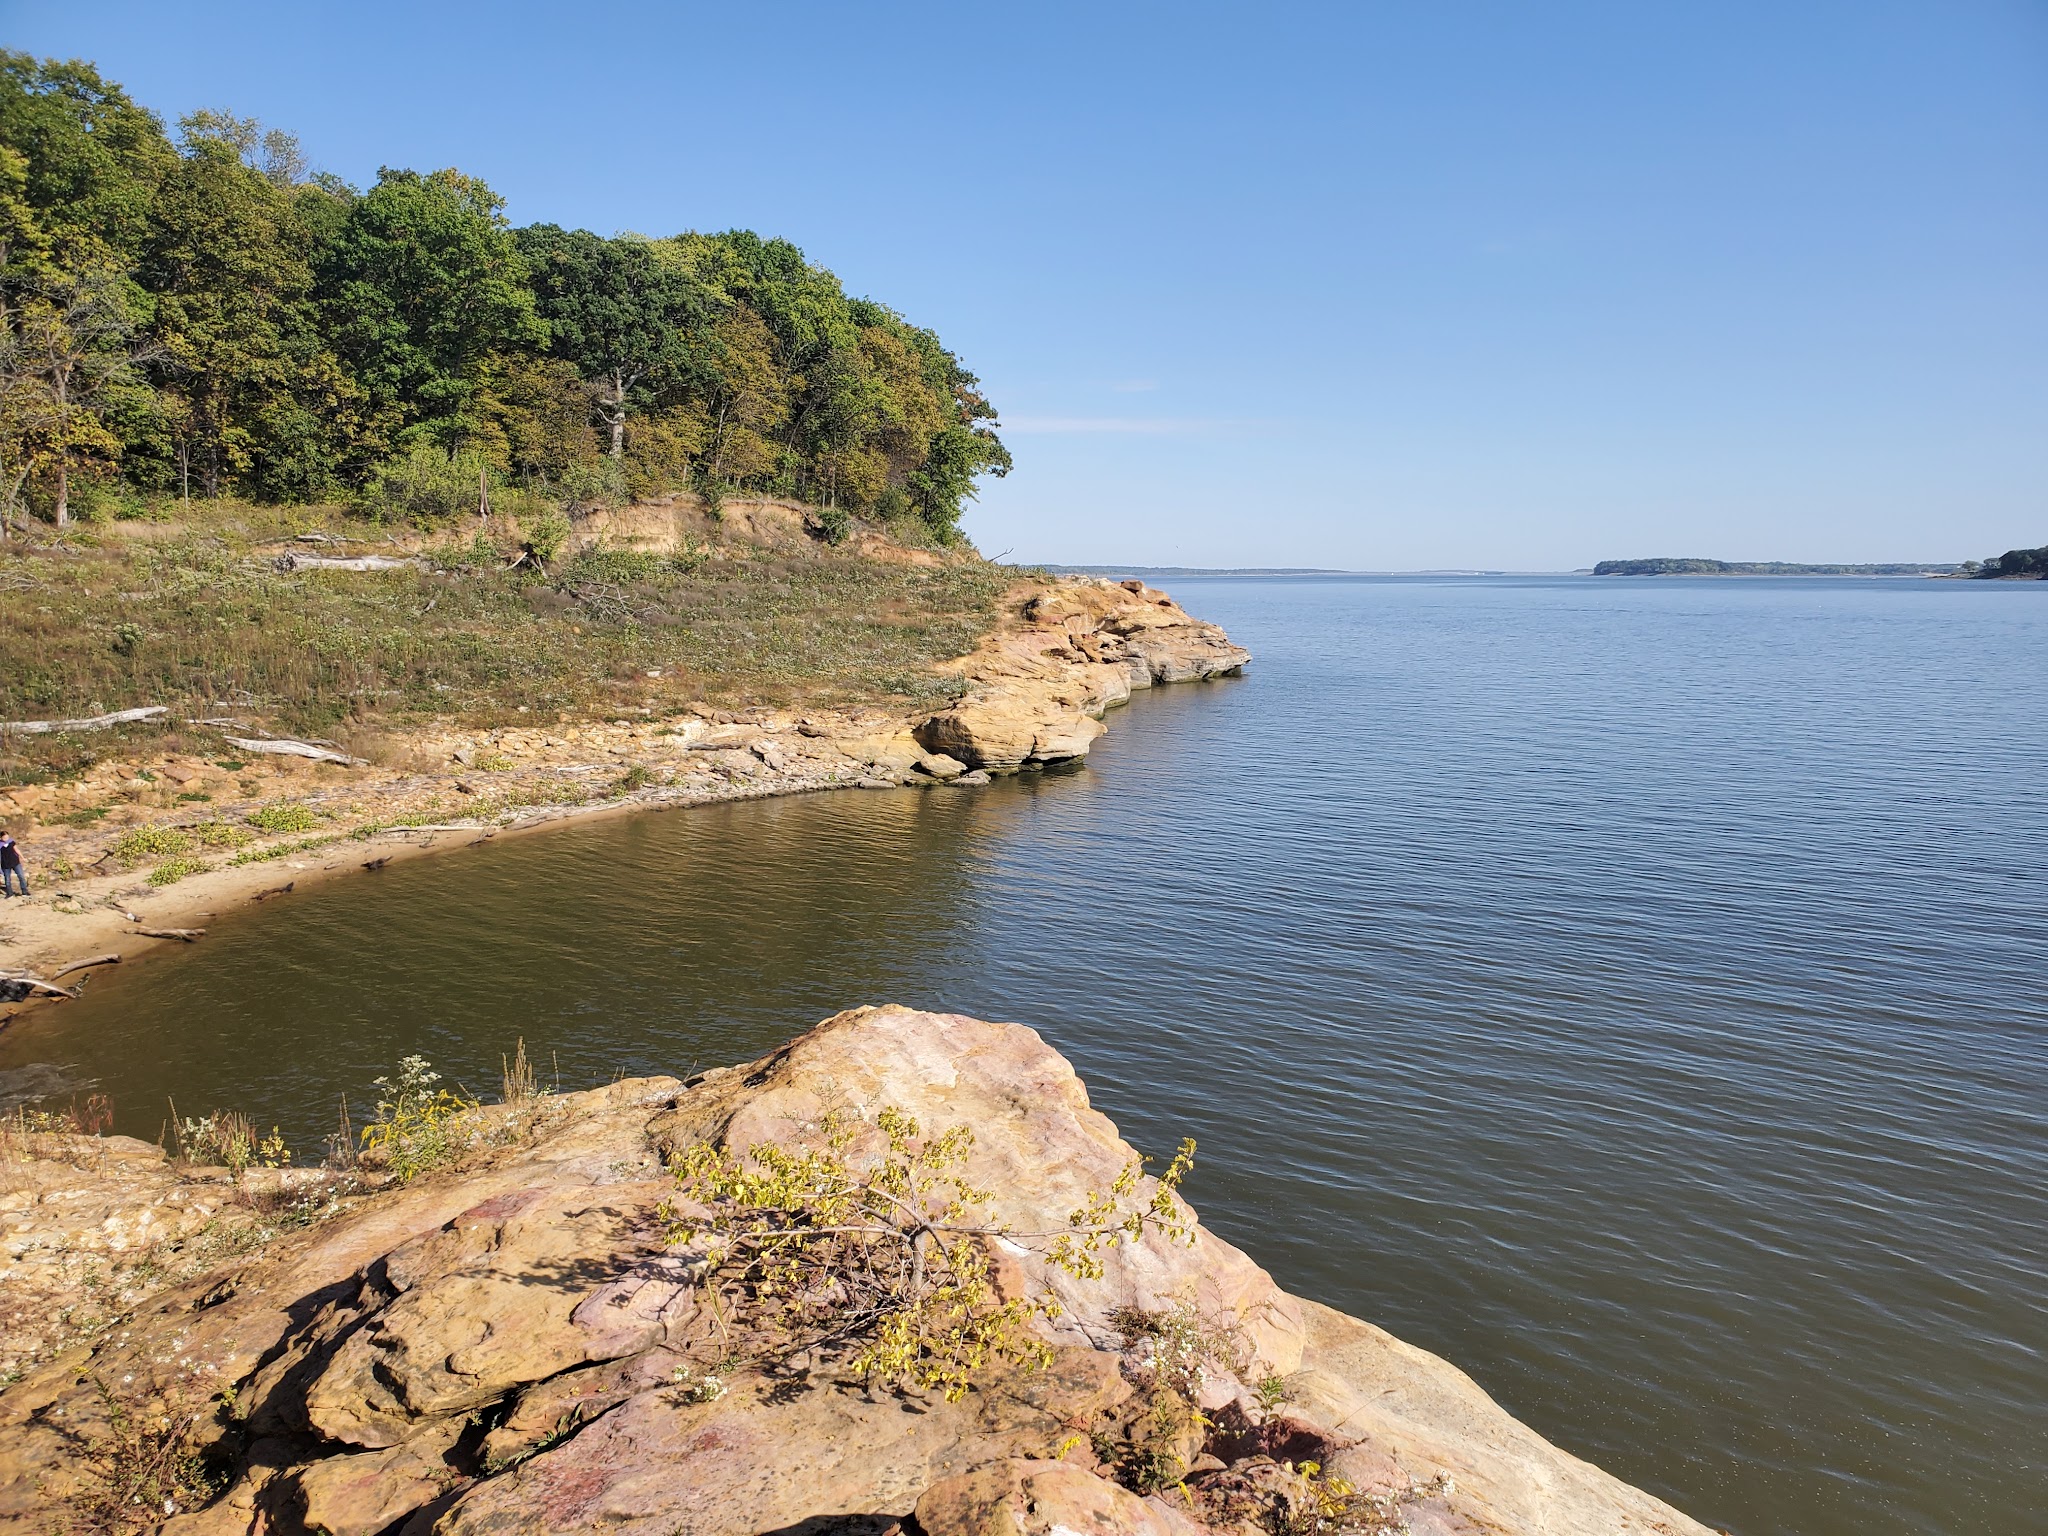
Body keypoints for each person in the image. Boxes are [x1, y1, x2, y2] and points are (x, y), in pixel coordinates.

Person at [0, 830, 25, 897]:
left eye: (7, 837)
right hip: (5, 864)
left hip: (15, 862)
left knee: (21, 876)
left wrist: (22, 857)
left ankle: (24, 891)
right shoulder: (0, 845)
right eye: (4, 838)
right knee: (7, 879)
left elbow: (16, 850)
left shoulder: (11, 842)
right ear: (1, 838)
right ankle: (9, 893)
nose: (6, 839)